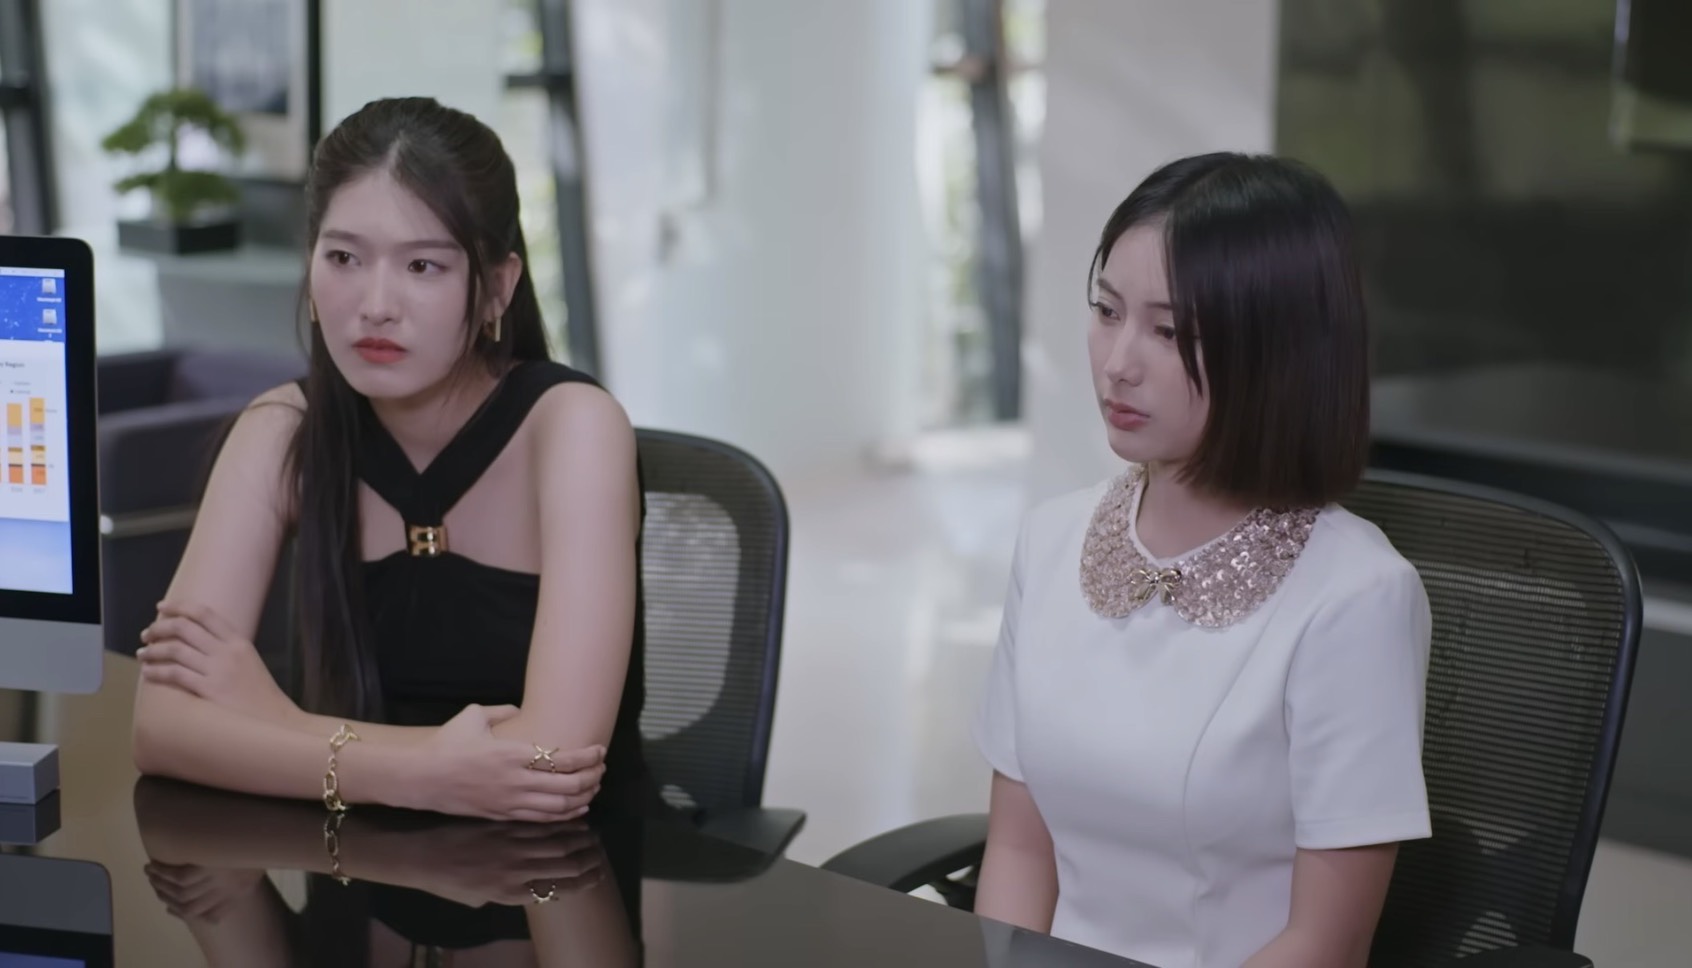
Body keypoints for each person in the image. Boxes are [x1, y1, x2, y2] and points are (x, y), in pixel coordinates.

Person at [131, 96, 649, 824]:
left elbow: (551, 763)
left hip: (559, 871)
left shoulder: (573, 428)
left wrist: (275, 721)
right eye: (344, 258)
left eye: (423, 265)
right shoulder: (282, 430)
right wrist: (418, 775)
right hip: (347, 860)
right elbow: (162, 729)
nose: (375, 304)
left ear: (498, 287)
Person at [971, 153, 1432, 968]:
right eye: (1107, 311)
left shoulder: (1357, 597)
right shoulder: (1050, 542)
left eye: (1169, 332)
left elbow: (1327, 943)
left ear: (1278, 352)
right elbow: (1019, 852)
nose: (1118, 362)